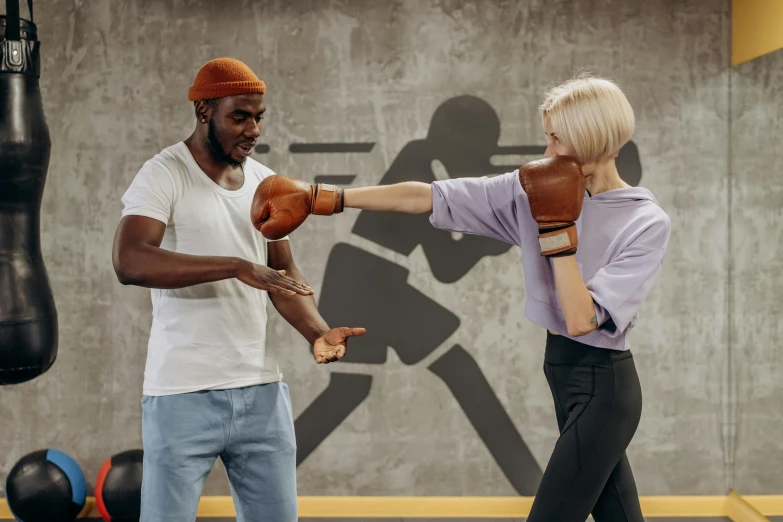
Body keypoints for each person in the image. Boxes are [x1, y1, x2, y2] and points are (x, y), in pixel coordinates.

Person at [254, 74, 671, 521]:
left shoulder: (645, 223)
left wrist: (554, 231)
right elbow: (425, 197)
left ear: (590, 138)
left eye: (557, 139)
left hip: (604, 386)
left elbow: (580, 319)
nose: (547, 151)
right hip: (562, 372)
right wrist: (325, 197)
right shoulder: (530, 186)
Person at [111, 57, 365, 522]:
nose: (253, 129)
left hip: (261, 393)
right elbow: (129, 261)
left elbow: (281, 275)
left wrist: (318, 333)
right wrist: (233, 266)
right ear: (204, 111)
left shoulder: (265, 183)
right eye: (239, 116)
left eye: (259, 117)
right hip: (181, 393)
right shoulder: (164, 173)